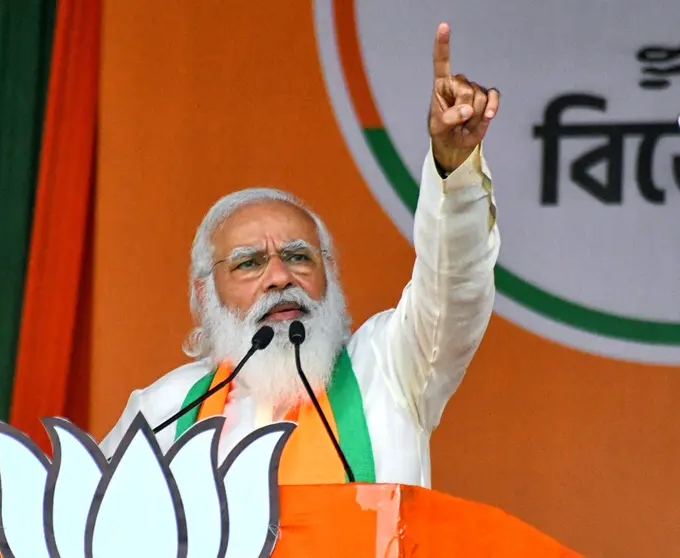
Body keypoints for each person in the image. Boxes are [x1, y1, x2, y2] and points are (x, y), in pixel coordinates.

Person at [97, 22, 500, 487]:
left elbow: (455, 287)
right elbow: (82, 518)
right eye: (249, 262)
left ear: (328, 271)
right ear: (205, 292)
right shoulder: (166, 410)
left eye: (297, 256)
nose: (279, 277)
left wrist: (454, 168)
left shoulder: (389, 368)